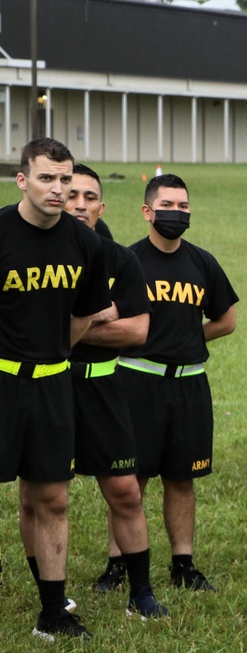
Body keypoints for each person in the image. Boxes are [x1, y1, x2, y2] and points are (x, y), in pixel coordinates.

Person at [24, 164, 168, 619]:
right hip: (45, 385)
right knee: (40, 495)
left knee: (125, 490)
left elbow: (138, 331)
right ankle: (51, 595)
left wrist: (71, 326)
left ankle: (140, 592)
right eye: (72, 196)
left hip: (102, 387)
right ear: (56, 201)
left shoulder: (118, 259)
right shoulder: (33, 254)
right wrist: (99, 314)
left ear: (102, 206)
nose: (80, 204)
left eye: (90, 197)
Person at [3, 138, 110, 640]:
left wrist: (48, 354)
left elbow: (84, 314)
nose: (59, 189)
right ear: (21, 179)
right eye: (47, 178)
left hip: (51, 387)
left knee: (52, 500)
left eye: (65, 179)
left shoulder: (85, 242)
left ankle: (53, 613)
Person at [117, 173, 238, 591]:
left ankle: (182, 563)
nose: (177, 213)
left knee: (182, 478)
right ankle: (119, 563)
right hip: (138, 380)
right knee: (132, 479)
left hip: (189, 384)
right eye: (168, 206)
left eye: (184, 207)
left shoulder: (202, 262)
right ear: (148, 211)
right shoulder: (127, 260)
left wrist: (189, 338)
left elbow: (227, 320)